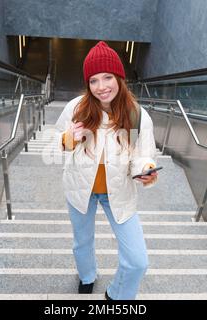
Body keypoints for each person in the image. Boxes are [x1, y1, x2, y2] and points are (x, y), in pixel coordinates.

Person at [55, 41, 159, 300]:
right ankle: (87, 275)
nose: (101, 87)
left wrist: (146, 169)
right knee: (82, 242)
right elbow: (56, 142)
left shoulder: (137, 114)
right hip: (81, 190)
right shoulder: (77, 107)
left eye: (107, 77)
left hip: (119, 192)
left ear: (120, 78)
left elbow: (143, 155)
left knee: (137, 260)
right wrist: (69, 138)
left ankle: (118, 295)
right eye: (93, 80)